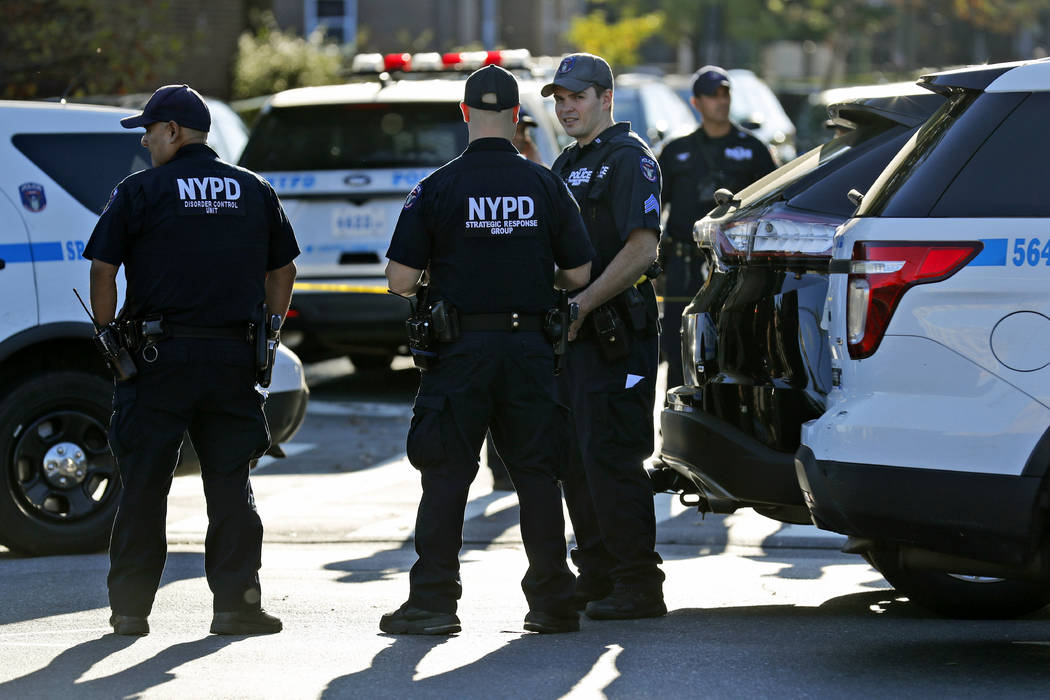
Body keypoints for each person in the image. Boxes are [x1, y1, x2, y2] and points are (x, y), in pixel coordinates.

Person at [381, 64, 595, 635]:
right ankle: (552, 602)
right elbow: (578, 272)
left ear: (464, 113)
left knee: (447, 477)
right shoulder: (547, 184)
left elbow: (400, 280)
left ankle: (432, 604)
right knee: (535, 477)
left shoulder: (437, 187)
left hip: (460, 353)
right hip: (529, 349)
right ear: (517, 117)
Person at [84, 84, 299, 636]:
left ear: (174, 132)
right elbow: (283, 272)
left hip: (157, 360)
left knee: (144, 486)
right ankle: (237, 606)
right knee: (230, 485)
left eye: (150, 132)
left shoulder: (140, 190)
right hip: (232, 360)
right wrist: (270, 335)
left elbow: (103, 271)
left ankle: (130, 611)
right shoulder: (254, 190)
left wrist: (108, 337)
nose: (147, 143)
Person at [543, 53, 667, 619]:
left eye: (577, 97)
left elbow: (642, 250)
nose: (566, 107)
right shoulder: (568, 163)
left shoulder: (629, 159)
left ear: (605, 98)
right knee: (574, 457)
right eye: (559, 99)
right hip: (575, 336)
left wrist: (584, 304)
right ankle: (596, 573)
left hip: (619, 336)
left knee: (612, 455)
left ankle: (639, 584)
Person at [658, 65, 777, 389]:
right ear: (696, 102)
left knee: (733, 341)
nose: (721, 101)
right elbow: (654, 207)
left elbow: (773, 208)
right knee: (678, 340)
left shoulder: (753, 149)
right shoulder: (676, 151)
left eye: (725, 94)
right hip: (684, 262)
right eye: (713, 95)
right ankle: (676, 413)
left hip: (735, 266)